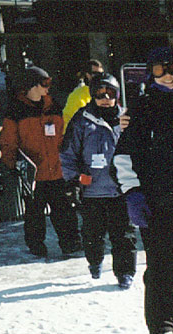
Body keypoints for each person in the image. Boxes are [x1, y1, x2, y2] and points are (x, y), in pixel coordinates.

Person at [113, 47, 173, 334]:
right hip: (155, 202)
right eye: (159, 70)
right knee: (161, 264)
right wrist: (133, 193)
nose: (167, 76)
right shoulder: (142, 107)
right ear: (150, 74)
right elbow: (123, 155)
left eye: (172, 69)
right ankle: (161, 324)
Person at [60, 73, 137, 288]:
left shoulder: (125, 118)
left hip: (120, 189)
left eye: (110, 94)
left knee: (123, 235)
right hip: (92, 190)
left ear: (117, 95)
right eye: (99, 94)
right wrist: (74, 180)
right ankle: (95, 261)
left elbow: (138, 149)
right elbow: (68, 153)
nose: (105, 99)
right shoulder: (82, 120)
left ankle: (125, 272)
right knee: (93, 234)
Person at [0, 66, 81, 258]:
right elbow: (8, 141)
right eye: (44, 84)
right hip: (34, 173)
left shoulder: (53, 106)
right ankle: (36, 246)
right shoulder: (16, 110)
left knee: (64, 210)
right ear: (31, 85)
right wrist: (10, 166)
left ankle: (71, 243)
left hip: (57, 170)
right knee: (35, 214)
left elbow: (63, 136)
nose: (47, 88)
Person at [62, 59, 104, 132]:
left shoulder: (105, 92)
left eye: (102, 74)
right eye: (96, 74)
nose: (99, 77)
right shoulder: (78, 94)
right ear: (88, 75)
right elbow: (75, 121)